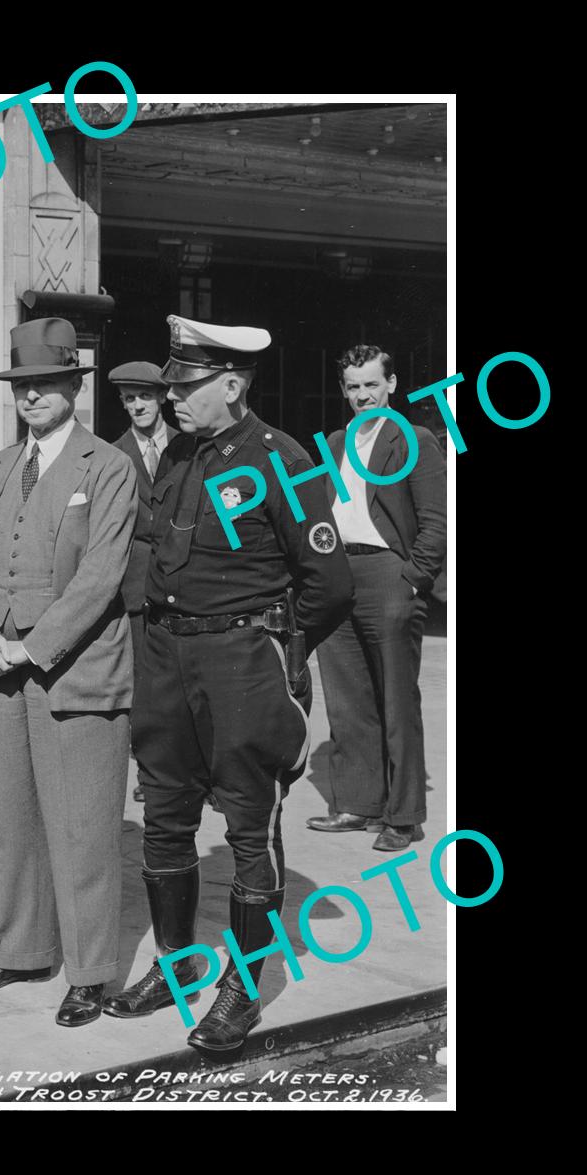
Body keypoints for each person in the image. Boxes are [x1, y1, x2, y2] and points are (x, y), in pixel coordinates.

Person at [104, 316, 353, 1053]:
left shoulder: (284, 457)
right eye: (172, 384)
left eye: (186, 385)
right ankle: (176, 966)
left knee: (250, 828)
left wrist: (273, 642)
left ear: (233, 385)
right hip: (167, 662)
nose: (171, 396)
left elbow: (328, 583)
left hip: (244, 663)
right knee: (166, 819)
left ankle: (241, 988)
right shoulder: (178, 453)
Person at [0, 319, 135, 1027]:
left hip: (77, 671)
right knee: (18, 822)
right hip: (4, 669)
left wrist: (34, 644)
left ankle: (90, 970)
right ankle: (23, 948)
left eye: (47, 384)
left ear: (74, 387)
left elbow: (101, 575)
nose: (33, 396)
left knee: (85, 826)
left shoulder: (106, 466)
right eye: (23, 386)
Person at [306, 345, 445, 851]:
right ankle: (357, 805)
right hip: (341, 575)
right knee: (346, 699)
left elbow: (435, 521)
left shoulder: (416, 439)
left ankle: (404, 816)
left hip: (390, 574)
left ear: (390, 384)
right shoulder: (338, 441)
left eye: (371, 384)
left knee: (397, 699)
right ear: (343, 391)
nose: (363, 395)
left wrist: (413, 578)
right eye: (353, 387)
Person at [108, 361, 196, 802]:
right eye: (128, 398)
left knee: (190, 680)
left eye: (144, 396)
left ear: (162, 398)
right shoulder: (113, 453)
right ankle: (150, 775)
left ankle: (197, 773)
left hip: (187, 580)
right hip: (139, 588)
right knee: (146, 685)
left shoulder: (191, 445)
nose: (137, 405)